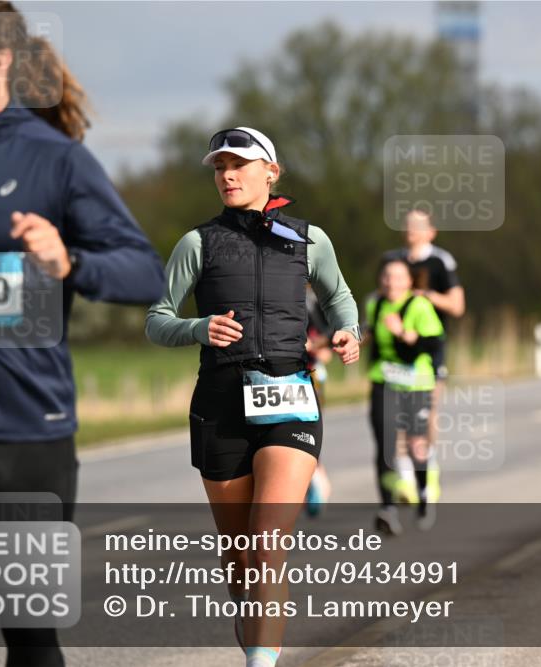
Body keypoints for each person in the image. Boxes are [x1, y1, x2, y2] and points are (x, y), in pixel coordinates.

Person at [0, 3, 165, 665]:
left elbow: (146, 272)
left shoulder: (58, 162)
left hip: (32, 428)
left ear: (0, 62)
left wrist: (70, 262)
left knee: (24, 629)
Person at [145, 126, 359, 666]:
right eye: (218, 167)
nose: (227, 175)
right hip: (219, 404)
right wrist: (198, 329)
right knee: (242, 559)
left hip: (289, 394)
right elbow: (157, 321)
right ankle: (256, 636)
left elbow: (339, 296)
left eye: (238, 164)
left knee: (267, 543)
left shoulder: (309, 239)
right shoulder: (198, 243)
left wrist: (347, 331)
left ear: (272, 171)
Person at [382, 210, 464, 506]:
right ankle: (406, 478)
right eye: (407, 224)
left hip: (429, 350)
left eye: (418, 225)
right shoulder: (394, 260)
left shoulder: (440, 261)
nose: (411, 230)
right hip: (396, 347)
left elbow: (457, 306)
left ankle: (428, 470)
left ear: (432, 231)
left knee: (425, 413)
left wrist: (424, 295)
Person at [364, 258, 445, 535]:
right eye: (386, 277)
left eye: (398, 277)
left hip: (416, 383)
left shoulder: (419, 306)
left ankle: (423, 492)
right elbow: (371, 336)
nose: (391, 282)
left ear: (409, 281)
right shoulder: (375, 305)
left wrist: (407, 336)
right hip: (383, 380)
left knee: (415, 444)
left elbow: (435, 343)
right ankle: (387, 509)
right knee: (384, 444)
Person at [304, 286, 333, 517]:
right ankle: (313, 478)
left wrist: (316, 346)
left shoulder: (316, 302)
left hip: (311, 372)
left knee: (308, 427)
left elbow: (329, 338)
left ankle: (316, 477)